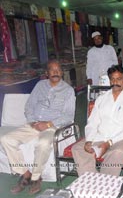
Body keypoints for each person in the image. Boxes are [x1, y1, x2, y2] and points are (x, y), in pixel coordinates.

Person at [0, 60, 75, 195]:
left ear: (62, 72)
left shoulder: (68, 90)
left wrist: (47, 124)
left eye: (58, 70)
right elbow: (29, 106)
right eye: (52, 70)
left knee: (44, 143)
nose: (56, 72)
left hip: (52, 126)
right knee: (6, 139)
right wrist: (32, 121)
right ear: (47, 73)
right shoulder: (40, 85)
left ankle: (36, 178)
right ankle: (25, 173)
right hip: (33, 124)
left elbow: (68, 115)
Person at [72, 65, 123, 176]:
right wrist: (89, 140)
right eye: (112, 79)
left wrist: (108, 143)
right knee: (78, 148)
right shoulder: (101, 99)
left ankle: (106, 183)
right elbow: (92, 122)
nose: (115, 82)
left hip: (122, 138)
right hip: (101, 135)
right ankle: (90, 180)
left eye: (119, 79)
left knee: (117, 152)